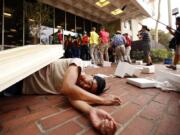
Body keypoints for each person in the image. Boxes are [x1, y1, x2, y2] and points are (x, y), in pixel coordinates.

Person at [1, 58, 121, 135]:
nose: (84, 85)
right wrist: (103, 101)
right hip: (17, 71)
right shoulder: (77, 63)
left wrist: (92, 111)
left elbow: (74, 97)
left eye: (87, 89)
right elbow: (67, 87)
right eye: (89, 82)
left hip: (14, 89)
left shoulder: (75, 89)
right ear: (91, 75)